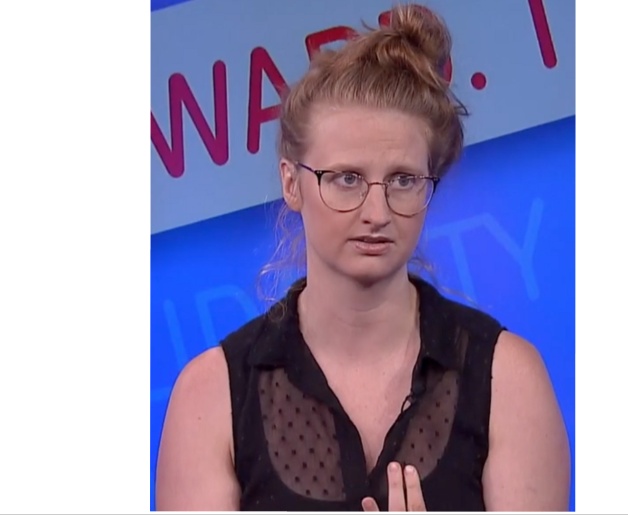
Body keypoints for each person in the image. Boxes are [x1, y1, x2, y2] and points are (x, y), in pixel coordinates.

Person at [155, 3, 570, 511]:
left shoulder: (507, 379)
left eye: (403, 180)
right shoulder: (211, 395)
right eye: (347, 179)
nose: (377, 212)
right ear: (291, 183)